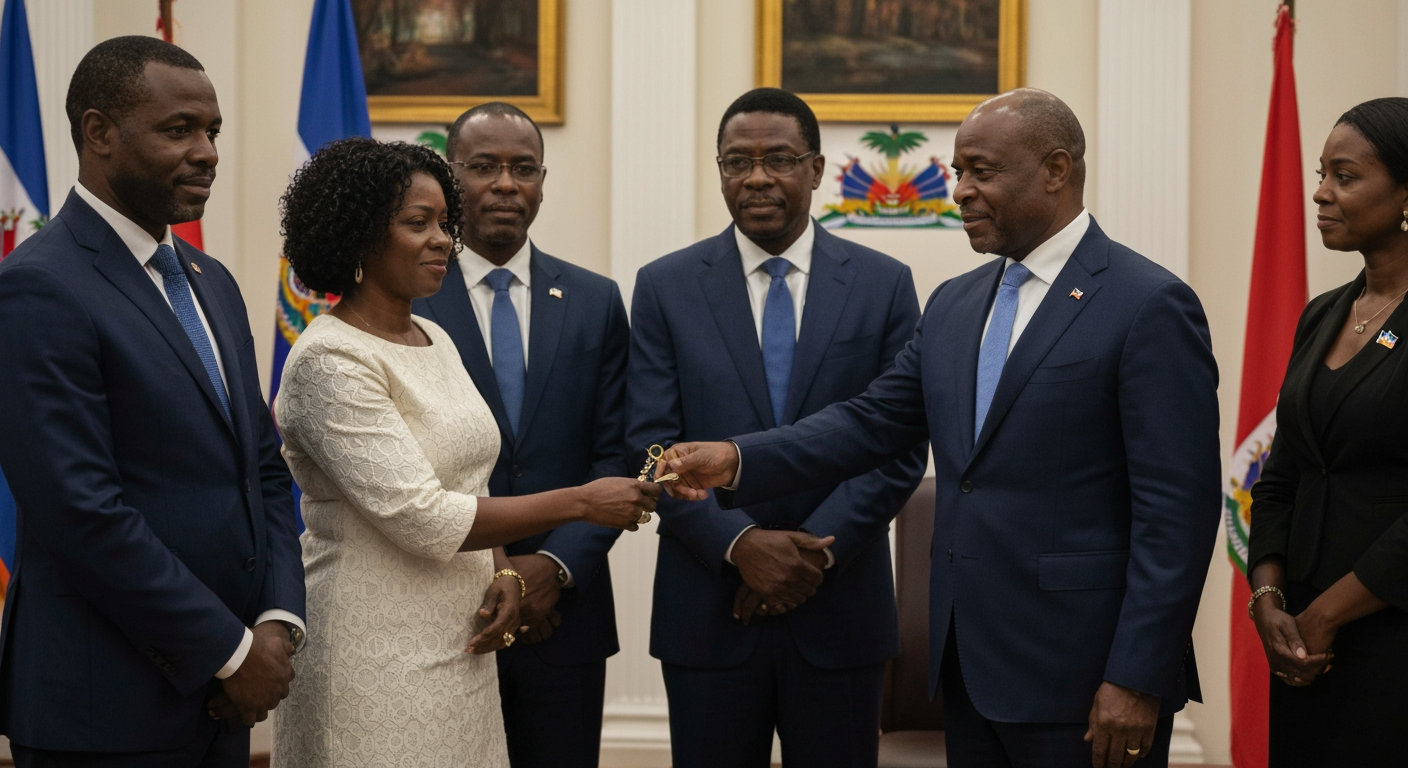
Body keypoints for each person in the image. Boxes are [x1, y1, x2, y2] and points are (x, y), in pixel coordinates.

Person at [658, 88, 1222, 768]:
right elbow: (871, 421)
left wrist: (1137, 675)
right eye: (958, 171)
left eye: (982, 171)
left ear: (1056, 170)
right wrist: (735, 459)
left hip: (1086, 677)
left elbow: (1178, 513)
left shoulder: (1147, 303)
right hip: (969, 671)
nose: (960, 191)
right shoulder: (957, 303)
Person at [268, 137, 655, 768]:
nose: (444, 240)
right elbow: (423, 516)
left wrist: (502, 570)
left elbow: (470, 479)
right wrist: (583, 502)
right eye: (418, 223)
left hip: (462, 641)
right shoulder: (330, 359)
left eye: (444, 223)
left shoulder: (433, 336)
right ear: (359, 236)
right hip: (373, 651)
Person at [0, 37, 304, 767]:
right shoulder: (38, 286)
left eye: (213, 131)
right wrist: (230, 652)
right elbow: (81, 513)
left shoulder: (211, 281)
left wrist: (275, 620)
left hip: (225, 701)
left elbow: (263, 469)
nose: (207, 153)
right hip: (105, 709)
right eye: (179, 130)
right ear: (99, 132)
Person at [626, 88, 927, 768]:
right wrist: (740, 546)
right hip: (707, 606)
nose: (756, 177)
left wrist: (813, 554)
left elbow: (900, 441)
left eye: (779, 159)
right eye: (737, 161)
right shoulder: (665, 286)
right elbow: (648, 445)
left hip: (840, 601)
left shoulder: (883, 284)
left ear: (816, 169)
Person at [411, 102, 631, 768]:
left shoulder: (596, 299)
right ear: (450, 178)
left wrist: (553, 568)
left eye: (524, 168)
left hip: (567, 615)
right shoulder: (406, 299)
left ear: (541, 181)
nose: (506, 184)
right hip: (443, 609)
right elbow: (406, 465)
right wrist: (499, 568)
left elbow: (615, 451)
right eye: (484, 166)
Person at [1247, 97, 1408, 767]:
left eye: (1345, 176)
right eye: (1322, 174)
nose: (1320, 193)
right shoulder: (1323, 314)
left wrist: (1325, 616)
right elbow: (1281, 474)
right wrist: (1268, 598)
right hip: (1302, 645)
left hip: (1389, 634)